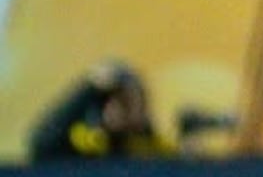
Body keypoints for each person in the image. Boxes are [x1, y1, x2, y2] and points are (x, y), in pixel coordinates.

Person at [29, 61, 168, 161]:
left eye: (135, 104)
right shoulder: (85, 139)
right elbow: (40, 146)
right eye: (120, 102)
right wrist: (87, 90)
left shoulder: (143, 144)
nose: (126, 112)